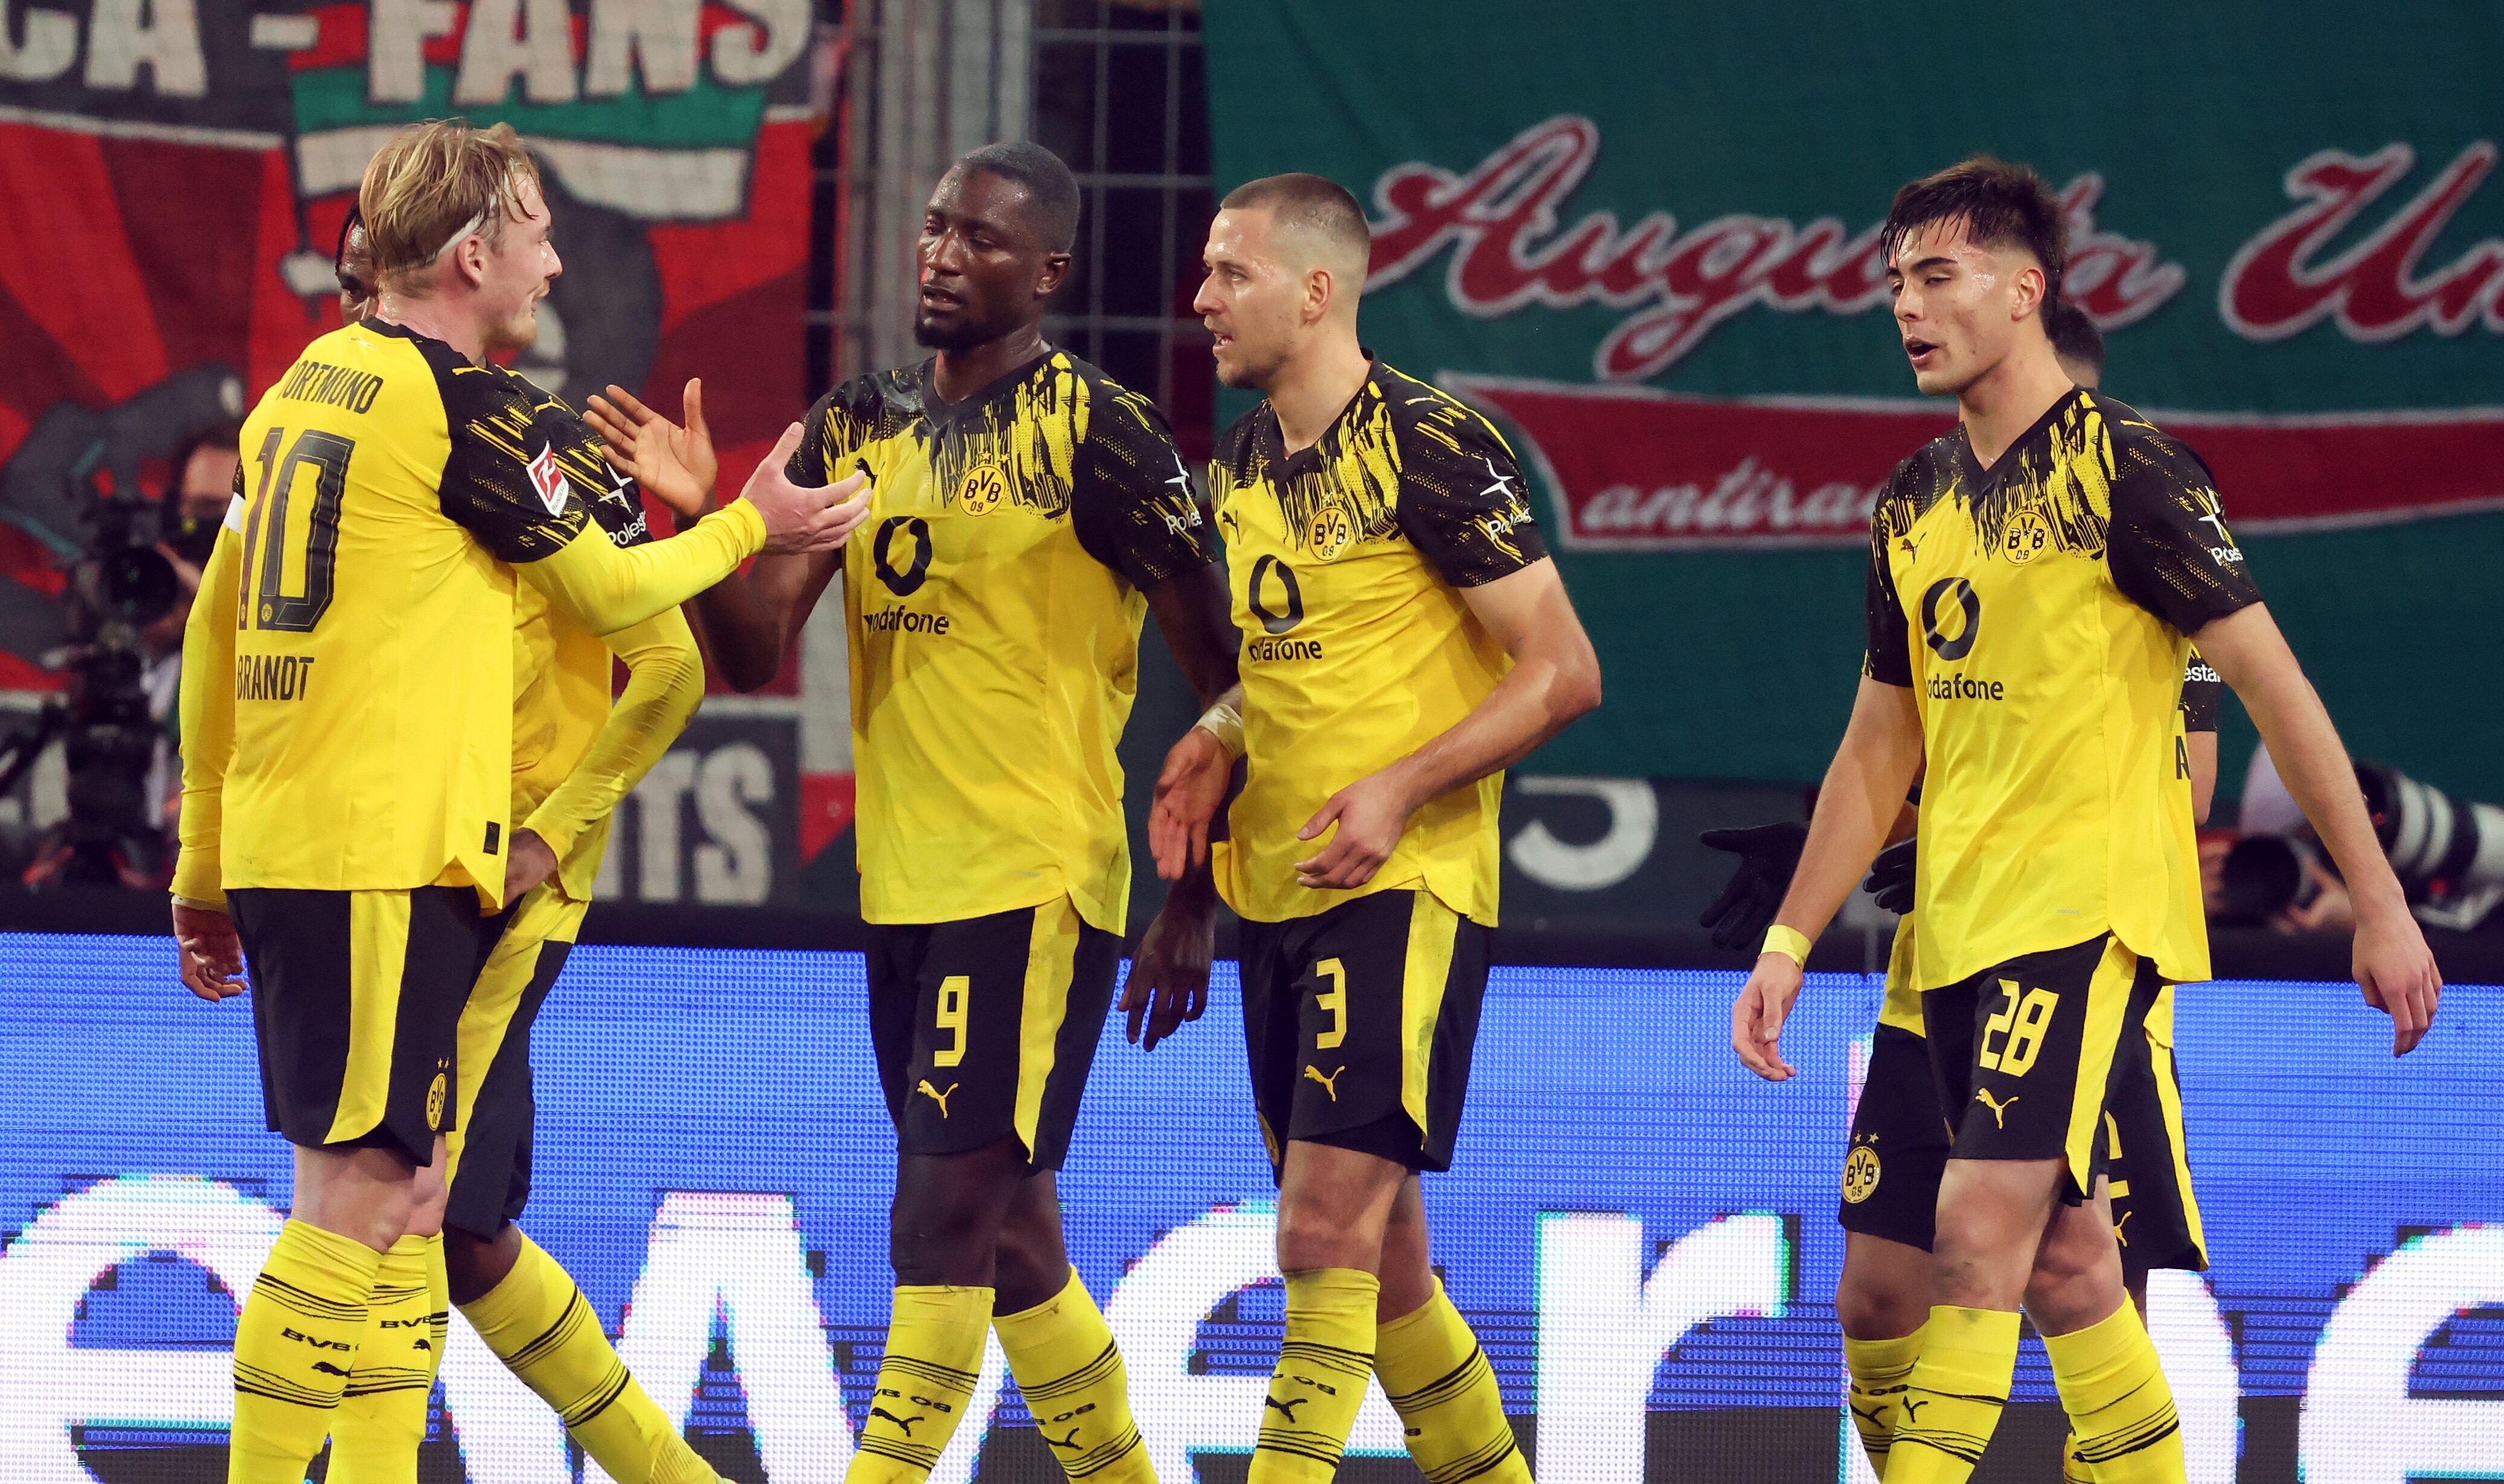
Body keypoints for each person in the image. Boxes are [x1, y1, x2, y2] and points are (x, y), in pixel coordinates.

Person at [168, 117, 867, 1484]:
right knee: (374, 1202)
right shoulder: (480, 417)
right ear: (473, 254)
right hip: (393, 852)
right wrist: (746, 525)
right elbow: (625, 604)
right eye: (539, 231)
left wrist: (203, 852)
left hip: (317, 839)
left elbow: (212, 630)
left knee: (404, 1199)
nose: (554, 261)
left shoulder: (296, 390)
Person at [1727, 155, 2440, 1484]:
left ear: (2025, 290)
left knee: (1974, 1242)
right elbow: (1878, 741)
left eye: (1937, 275)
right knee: (2012, 1271)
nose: (1906, 306)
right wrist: (1789, 936)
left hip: (2081, 918)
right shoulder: (1911, 500)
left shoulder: (2133, 473)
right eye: (1895, 281)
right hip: (1947, 933)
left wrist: (2381, 903)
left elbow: (2277, 691)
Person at [592, 141, 1238, 1484]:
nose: (942, 254)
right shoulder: (856, 422)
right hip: (901, 887)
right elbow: (755, 648)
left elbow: (1229, 676)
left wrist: (1196, 897)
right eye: (936, 227)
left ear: (1048, 272)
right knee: (1015, 1240)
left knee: (938, 1223)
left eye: (980, 239)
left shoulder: (1102, 434)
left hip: (1034, 878)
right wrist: (702, 516)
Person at [1700, 300, 2223, 1480]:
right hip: (1937, 962)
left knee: (2080, 1277)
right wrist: (1825, 862)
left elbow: (2186, 785)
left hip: (2082, 952)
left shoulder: (2138, 521)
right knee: (1879, 1294)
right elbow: (1899, 751)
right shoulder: (1932, 519)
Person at [1147, 173, 1601, 1484]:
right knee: (1386, 1266)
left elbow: (1563, 669)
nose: (1201, 298)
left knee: (1317, 1236)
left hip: (1402, 888)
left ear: (1316, 290)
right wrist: (1217, 732)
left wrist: (1401, 787)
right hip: (1280, 891)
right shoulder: (1239, 463)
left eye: (1230, 272)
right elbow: (1294, 665)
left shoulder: (1430, 443)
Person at [299, 206, 735, 1484]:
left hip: (492, 886)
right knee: (463, 1229)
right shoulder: (345, 437)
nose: (361, 300)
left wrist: (552, 828)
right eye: (348, 275)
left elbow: (669, 666)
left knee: (402, 1204)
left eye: (376, 271)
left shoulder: (527, 446)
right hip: (396, 868)